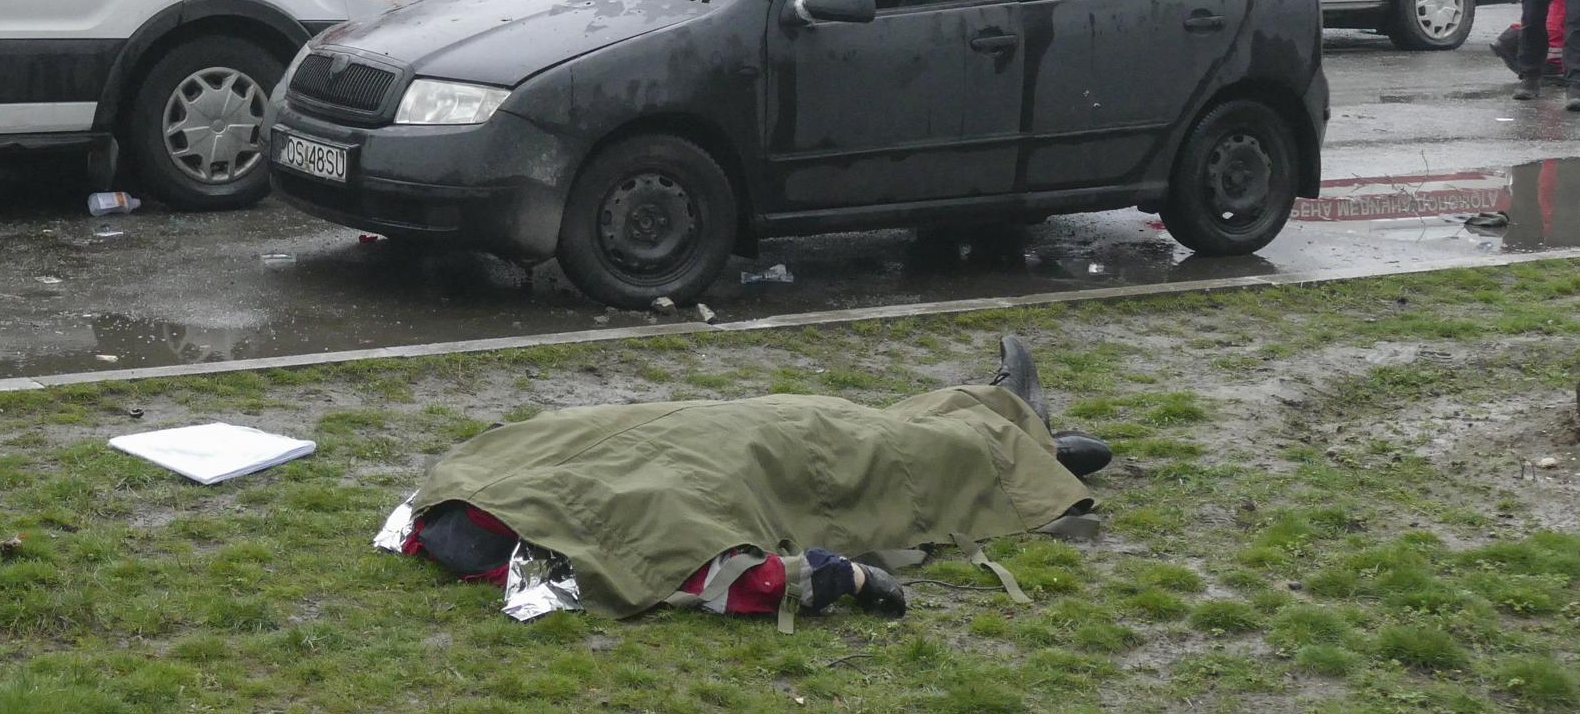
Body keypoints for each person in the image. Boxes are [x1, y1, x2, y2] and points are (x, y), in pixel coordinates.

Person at [385, 334, 1110, 621]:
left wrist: (850, 580)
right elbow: (753, 576)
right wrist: (850, 578)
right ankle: (1005, 433)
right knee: (864, 449)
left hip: (712, 437)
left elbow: (741, 573)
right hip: (742, 453)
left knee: (848, 429)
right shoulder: (600, 528)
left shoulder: (491, 494)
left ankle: (1010, 426)